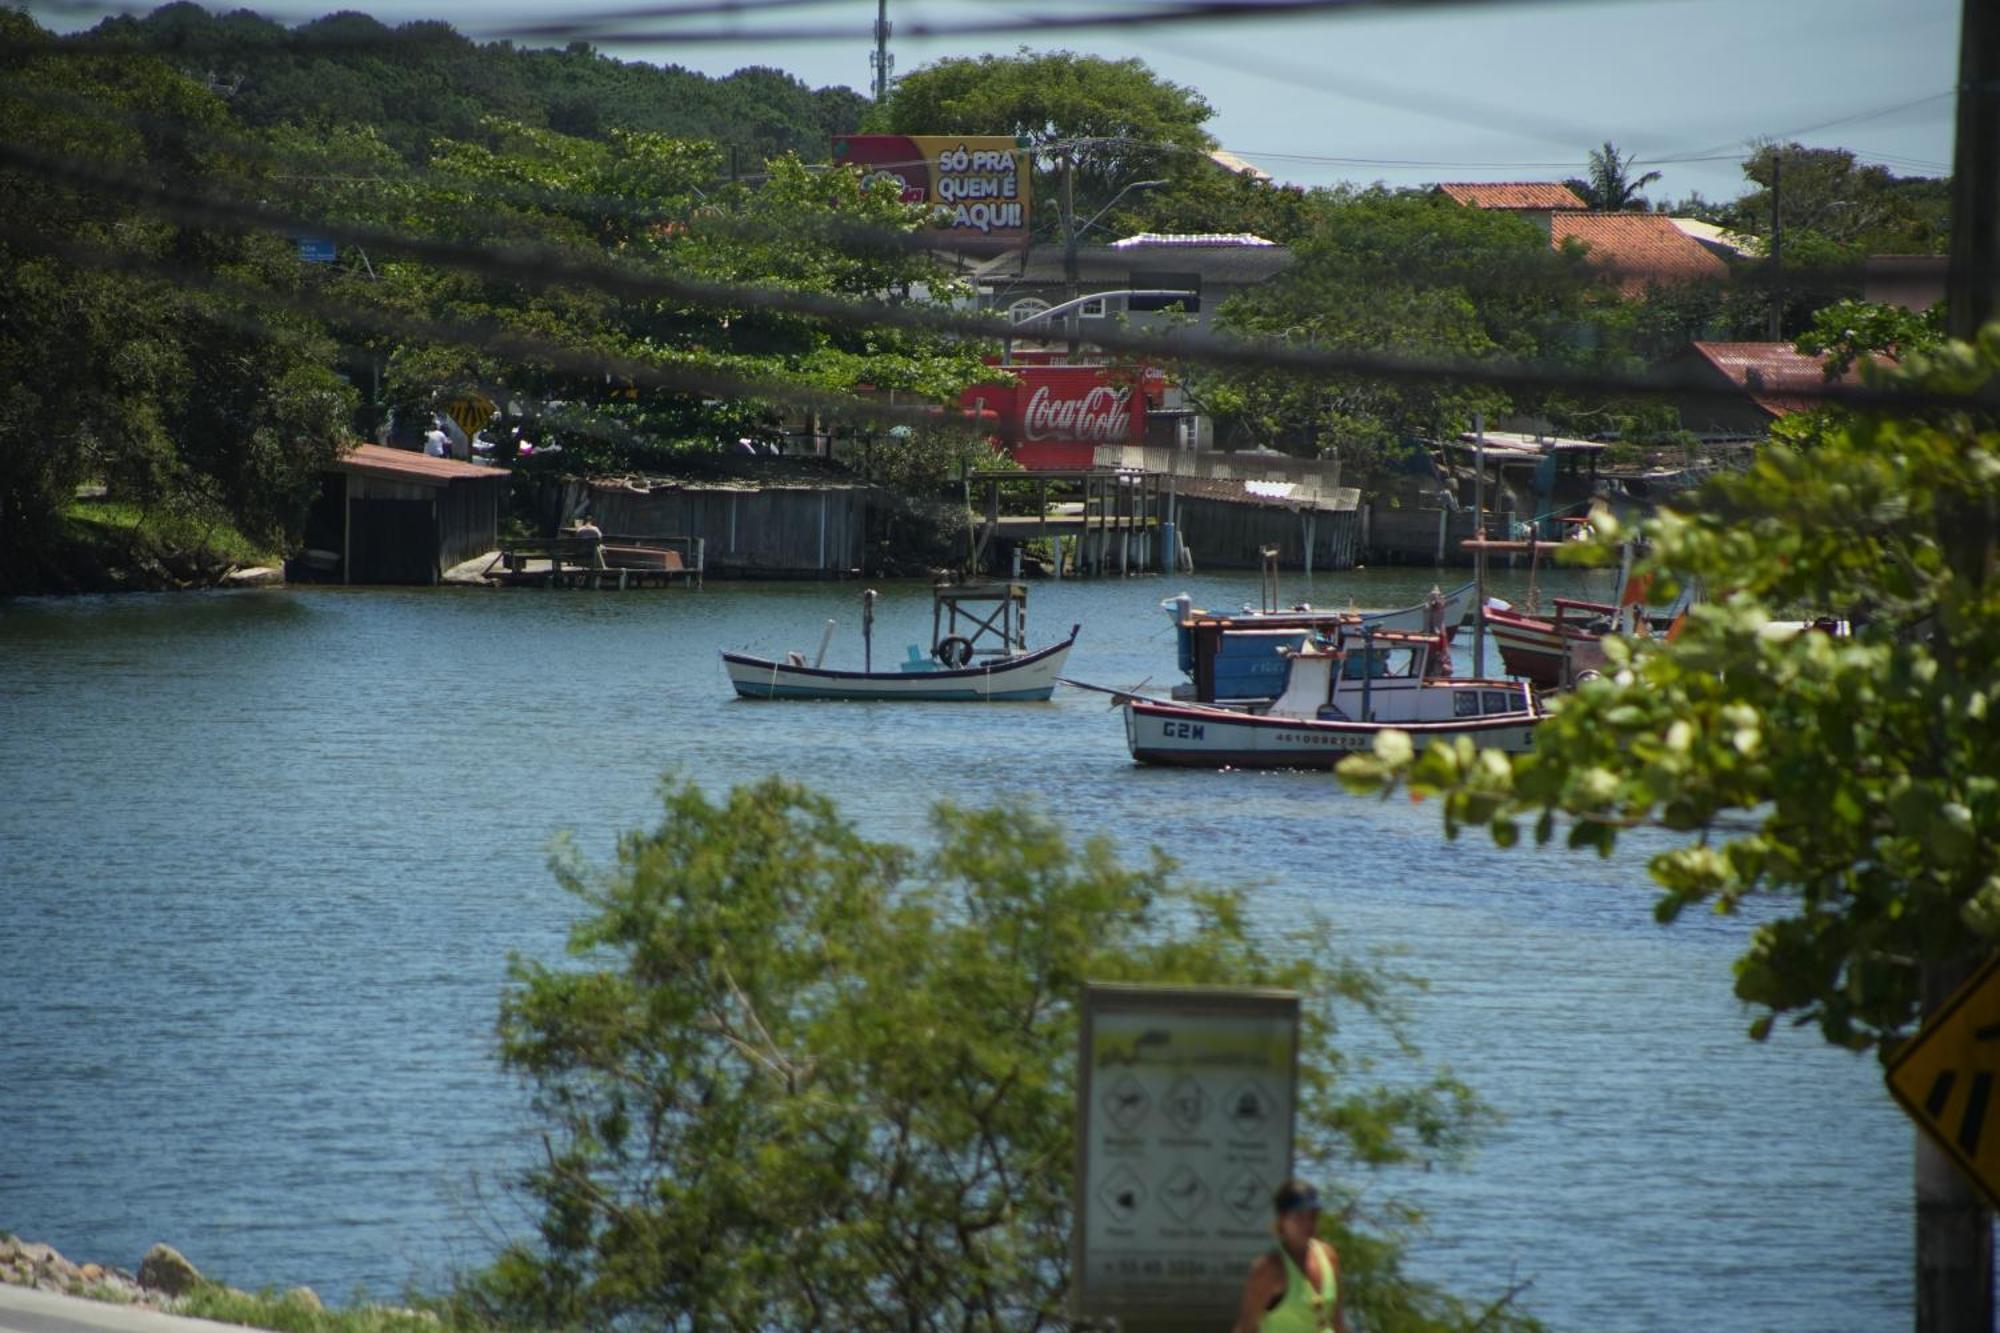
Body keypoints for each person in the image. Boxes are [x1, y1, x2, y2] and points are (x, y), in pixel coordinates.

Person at [1232, 1177, 1345, 1333]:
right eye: (1299, 1217)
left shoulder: (1328, 1256)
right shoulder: (1270, 1269)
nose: (1308, 1224)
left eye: (1313, 1216)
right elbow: (1246, 1328)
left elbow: (1337, 1321)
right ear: (1282, 1221)